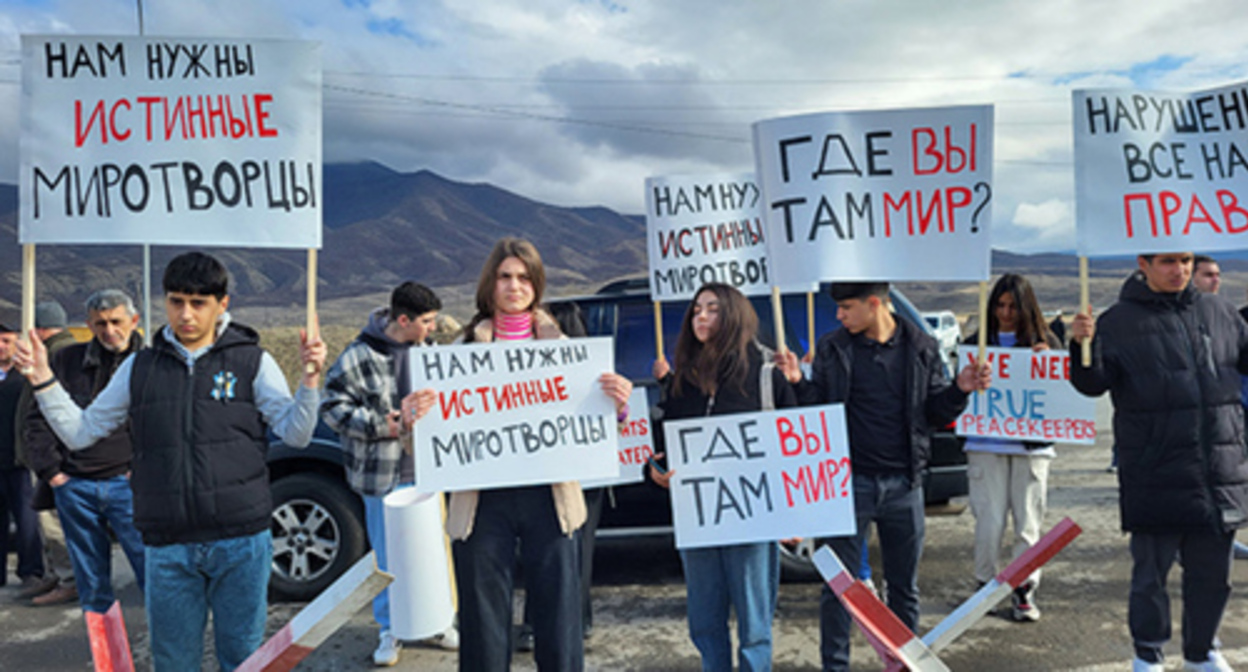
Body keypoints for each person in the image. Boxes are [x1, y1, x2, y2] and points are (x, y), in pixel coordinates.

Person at [15, 252, 326, 672]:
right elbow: (81, 432)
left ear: (222, 304)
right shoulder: (139, 368)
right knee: (174, 662)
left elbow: (296, 432)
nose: (186, 314)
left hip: (241, 541)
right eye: (177, 301)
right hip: (168, 544)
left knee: (244, 659)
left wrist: (309, 381)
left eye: (198, 303)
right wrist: (42, 380)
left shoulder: (251, 361)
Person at [409, 237, 631, 672]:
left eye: (525, 277)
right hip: (481, 502)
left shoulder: (569, 350)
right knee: (483, 621)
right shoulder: (459, 354)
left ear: (537, 284)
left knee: (559, 620)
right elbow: (429, 442)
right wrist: (412, 420)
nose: (515, 286)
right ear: (490, 284)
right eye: (505, 276)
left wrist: (616, 405)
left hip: (551, 498)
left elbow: (593, 423)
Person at [775, 282, 989, 672]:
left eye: (845, 307)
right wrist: (797, 383)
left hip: (905, 486)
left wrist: (960, 390)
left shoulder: (920, 346)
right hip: (848, 485)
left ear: (874, 304)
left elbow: (935, 412)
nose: (839, 315)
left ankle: (903, 664)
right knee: (839, 588)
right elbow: (817, 409)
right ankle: (835, 667)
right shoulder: (833, 347)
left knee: (904, 588)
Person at [1070, 252, 1246, 672]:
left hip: (1216, 471)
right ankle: (1148, 654)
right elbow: (1092, 384)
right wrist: (1080, 347)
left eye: (1185, 261)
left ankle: (1201, 653)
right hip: (1155, 471)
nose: (1179, 271)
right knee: (1150, 578)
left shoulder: (1219, 310)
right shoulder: (1117, 322)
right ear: (1143, 264)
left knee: (1213, 577)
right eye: (1168, 262)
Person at [648, 282, 795, 672]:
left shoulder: (766, 375)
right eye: (697, 310)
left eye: (712, 309)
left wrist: (794, 514)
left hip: (751, 518)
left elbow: (798, 446)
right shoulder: (683, 379)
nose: (701, 317)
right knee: (704, 621)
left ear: (734, 315)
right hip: (699, 520)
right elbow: (665, 448)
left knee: (754, 625)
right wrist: (657, 471)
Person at [320, 281, 458, 667]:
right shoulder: (356, 356)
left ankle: (437, 622)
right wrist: (385, 425)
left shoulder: (431, 355)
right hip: (381, 476)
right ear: (403, 319)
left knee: (433, 552)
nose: (433, 327)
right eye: (427, 321)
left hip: (428, 472)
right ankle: (390, 628)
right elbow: (331, 409)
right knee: (387, 556)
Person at [22, 290, 146, 621]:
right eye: (100, 323)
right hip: (76, 486)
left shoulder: (150, 364)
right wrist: (53, 473)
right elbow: (37, 419)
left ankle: (164, 654)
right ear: (89, 325)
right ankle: (105, 657)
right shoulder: (67, 361)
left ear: (134, 321)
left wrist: (142, 470)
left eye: (116, 322)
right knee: (91, 585)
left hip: (130, 485)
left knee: (154, 573)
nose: (109, 331)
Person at [962, 274, 1061, 622]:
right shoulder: (975, 344)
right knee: (987, 520)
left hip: (1031, 446)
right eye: (1000, 306)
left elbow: (1066, 393)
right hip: (985, 442)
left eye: (1013, 307)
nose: (1005, 313)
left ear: (1026, 308)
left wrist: (1050, 364)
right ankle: (984, 585)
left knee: (1028, 521)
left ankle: (1024, 588)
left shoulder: (1046, 342)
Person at [17, 300, 80, 605]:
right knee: (52, 520)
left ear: (38, 329)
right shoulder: (66, 351)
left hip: (52, 457)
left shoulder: (54, 355)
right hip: (50, 456)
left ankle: (69, 579)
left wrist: (50, 463)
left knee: (55, 522)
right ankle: (60, 573)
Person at [0, 313, 50, 594]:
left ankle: (31, 572)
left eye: (6, 341)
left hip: (19, 461)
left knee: (27, 520)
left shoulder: (27, 377)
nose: (2, 347)